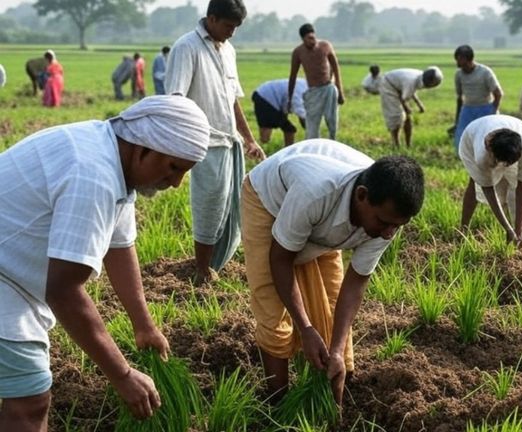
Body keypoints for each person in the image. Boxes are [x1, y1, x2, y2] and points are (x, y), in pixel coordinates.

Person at [0, 95, 211, 431]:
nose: (175, 183)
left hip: (12, 276)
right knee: (29, 401)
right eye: (174, 168)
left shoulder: (113, 158)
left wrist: (144, 325)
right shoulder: (92, 174)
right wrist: (123, 375)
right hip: (5, 283)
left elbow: (119, 244)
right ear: (144, 147)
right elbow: (64, 289)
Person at [241, 139, 424, 407]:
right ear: (361, 195)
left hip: (323, 223)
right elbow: (280, 259)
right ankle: (277, 403)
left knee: (329, 305)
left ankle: (333, 402)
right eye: (384, 224)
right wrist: (304, 328)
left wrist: (337, 350)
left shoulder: (387, 219)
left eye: (396, 227)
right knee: (272, 308)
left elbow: (355, 283)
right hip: (269, 201)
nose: (388, 233)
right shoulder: (316, 193)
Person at [165, 0, 266, 285]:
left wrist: (248, 138)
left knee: (233, 206)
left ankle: (215, 266)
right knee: (209, 206)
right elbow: (176, 100)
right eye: (228, 26)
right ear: (211, 19)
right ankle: (201, 270)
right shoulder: (187, 48)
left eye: (236, 27)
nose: (232, 32)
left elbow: (231, 99)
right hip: (204, 142)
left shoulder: (228, 50)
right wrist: (178, 151)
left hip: (230, 140)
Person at [459, 115, 522, 246]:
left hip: (508, 141)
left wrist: (519, 231)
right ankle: (463, 229)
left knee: (519, 185)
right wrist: (507, 229)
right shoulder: (481, 155)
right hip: (472, 136)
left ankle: (516, 233)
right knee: (474, 183)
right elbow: (488, 189)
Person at [288, 23, 344, 140]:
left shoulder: (325, 46)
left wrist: (340, 90)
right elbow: (293, 75)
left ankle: (332, 142)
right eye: (308, 39)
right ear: (303, 39)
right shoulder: (298, 52)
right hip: (313, 92)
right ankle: (312, 146)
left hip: (328, 88)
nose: (312, 41)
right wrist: (290, 99)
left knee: (331, 120)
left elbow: (336, 66)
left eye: (313, 38)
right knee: (312, 125)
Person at [452, 45, 503, 151]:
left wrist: (493, 112)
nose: (457, 62)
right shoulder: (459, 75)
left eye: (459, 58)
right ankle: (464, 159)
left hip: (485, 108)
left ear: (467, 58)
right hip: (468, 109)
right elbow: (459, 97)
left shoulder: (485, 72)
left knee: (485, 138)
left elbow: (498, 94)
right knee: (460, 137)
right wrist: (457, 119)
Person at [378, 67, 443, 147]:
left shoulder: (418, 78)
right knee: (396, 116)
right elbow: (404, 98)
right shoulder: (411, 81)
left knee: (408, 117)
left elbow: (411, 91)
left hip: (398, 85)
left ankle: (408, 144)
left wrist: (419, 105)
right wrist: (407, 109)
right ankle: (396, 144)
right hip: (388, 84)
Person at [251, 78, 308, 146]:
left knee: (289, 129)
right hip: (266, 98)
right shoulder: (301, 91)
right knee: (266, 134)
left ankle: (288, 149)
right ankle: (254, 148)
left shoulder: (306, 84)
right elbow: (299, 110)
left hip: (268, 94)